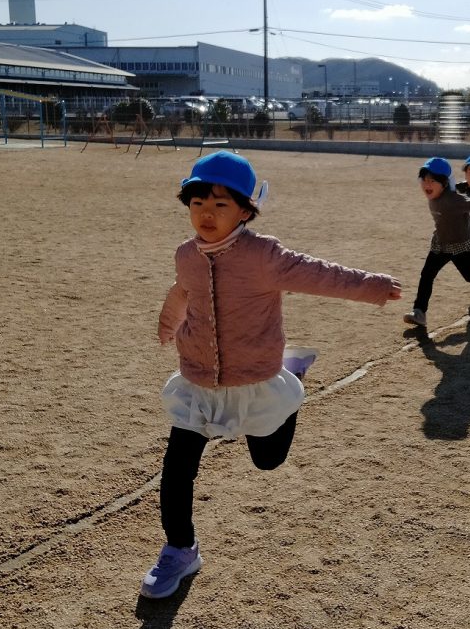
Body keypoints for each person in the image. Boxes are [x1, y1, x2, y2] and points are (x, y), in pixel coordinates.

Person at [147, 151, 401, 598]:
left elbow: (319, 274)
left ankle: (292, 378)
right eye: (198, 203)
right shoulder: (186, 254)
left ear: (245, 211)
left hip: (257, 377)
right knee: (177, 469)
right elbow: (182, 291)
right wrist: (169, 324)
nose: (206, 214)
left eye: (220, 205)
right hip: (198, 379)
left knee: (267, 460)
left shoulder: (264, 255)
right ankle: (181, 549)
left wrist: (373, 286)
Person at [404, 157, 470, 328]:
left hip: (462, 244)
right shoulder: (435, 194)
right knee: (427, 274)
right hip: (441, 243)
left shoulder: (454, 200)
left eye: (432, 181)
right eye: (424, 180)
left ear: (444, 183)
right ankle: (419, 312)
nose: (427, 185)